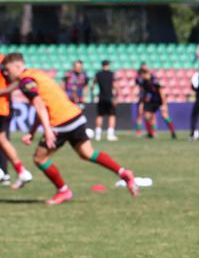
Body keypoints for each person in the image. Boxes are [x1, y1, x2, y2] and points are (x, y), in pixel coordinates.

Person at [0, 53, 138, 205]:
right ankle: (124, 173)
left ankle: (63, 190)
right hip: (75, 116)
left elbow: (39, 104)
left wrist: (47, 130)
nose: (5, 73)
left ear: (17, 66)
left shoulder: (26, 82)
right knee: (87, 153)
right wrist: (32, 132)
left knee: (40, 158)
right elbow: (42, 104)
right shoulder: (35, 74)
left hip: (60, 122)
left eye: (7, 69)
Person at [0, 54, 33, 189]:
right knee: (2, 140)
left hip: (2, 107)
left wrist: (3, 91)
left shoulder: (2, 60)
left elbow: (18, 79)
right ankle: (21, 172)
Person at [139, 71, 176, 139]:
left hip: (158, 101)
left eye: (143, 75)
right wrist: (143, 102)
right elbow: (144, 93)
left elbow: (161, 92)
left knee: (165, 116)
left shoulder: (154, 81)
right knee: (147, 117)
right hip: (150, 102)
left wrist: (164, 104)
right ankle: (150, 134)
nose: (143, 77)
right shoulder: (144, 82)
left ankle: (173, 132)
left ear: (147, 74)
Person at [92, 60, 118, 141]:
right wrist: (116, 97)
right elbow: (115, 86)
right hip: (110, 97)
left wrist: (94, 95)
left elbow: (92, 85)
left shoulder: (98, 74)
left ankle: (97, 135)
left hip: (101, 97)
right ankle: (110, 135)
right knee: (112, 115)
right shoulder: (111, 74)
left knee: (100, 115)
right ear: (108, 65)